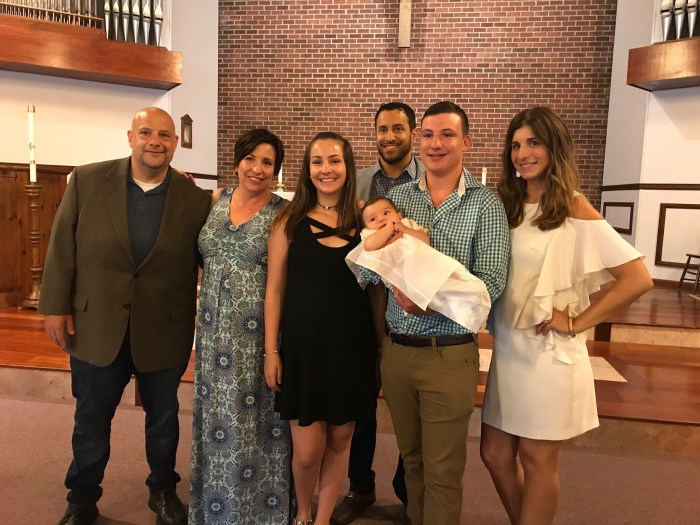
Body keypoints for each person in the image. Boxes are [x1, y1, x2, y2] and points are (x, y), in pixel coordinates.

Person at [480, 106, 653, 525]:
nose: (523, 153)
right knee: (495, 454)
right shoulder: (508, 204)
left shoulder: (572, 206)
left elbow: (637, 277)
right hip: (509, 349)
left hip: (547, 354)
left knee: (537, 459)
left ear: (554, 147)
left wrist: (577, 322)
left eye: (534, 143)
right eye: (516, 145)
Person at [39, 107, 211, 525]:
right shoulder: (87, 179)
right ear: (131, 137)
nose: (156, 141)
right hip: (97, 324)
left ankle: (163, 491)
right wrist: (55, 306)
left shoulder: (193, 198)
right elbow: (62, 245)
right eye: (147, 132)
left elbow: (209, 258)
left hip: (163, 327)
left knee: (164, 420)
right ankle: (82, 498)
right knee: (91, 418)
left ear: (176, 143)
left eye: (165, 135)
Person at [360, 101, 510, 525]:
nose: (435, 143)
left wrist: (428, 297)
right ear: (418, 140)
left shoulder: (486, 204)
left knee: (443, 471)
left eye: (447, 134)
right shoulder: (398, 199)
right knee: (412, 462)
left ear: (466, 142)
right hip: (398, 351)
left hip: (448, 353)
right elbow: (370, 266)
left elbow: (491, 283)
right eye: (427, 135)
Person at [264, 132, 378, 525]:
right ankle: (303, 513)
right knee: (308, 451)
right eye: (317, 161)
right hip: (304, 349)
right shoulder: (289, 221)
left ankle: (323, 518)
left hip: (352, 347)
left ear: (348, 167)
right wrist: (272, 351)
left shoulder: (364, 221)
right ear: (307, 169)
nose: (326, 169)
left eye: (334, 160)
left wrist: (379, 350)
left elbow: (375, 291)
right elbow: (275, 290)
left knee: (341, 439)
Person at [188, 129, 291, 524]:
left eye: (267, 162)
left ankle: (257, 513)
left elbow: (279, 284)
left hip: (255, 336)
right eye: (250, 159)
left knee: (253, 423)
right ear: (237, 161)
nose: (257, 169)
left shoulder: (282, 213)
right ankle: (214, 509)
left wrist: (272, 349)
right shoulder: (216, 199)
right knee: (214, 420)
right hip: (212, 333)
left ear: (276, 170)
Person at [333, 101, 424, 525]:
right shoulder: (357, 182)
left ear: (412, 133)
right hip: (365, 301)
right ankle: (360, 486)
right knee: (362, 401)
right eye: (382, 129)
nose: (389, 137)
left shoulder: (426, 181)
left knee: (410, 404)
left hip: (410, 301)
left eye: (398, 129)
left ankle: (408, 488)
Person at [346, 196, 491, 333]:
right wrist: (388, 228)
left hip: (422, 267)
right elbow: (370, 246)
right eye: (373, 219)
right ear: (366, 226)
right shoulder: (370, 234)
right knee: (430, 295)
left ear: (399, 215)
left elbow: (425, 239)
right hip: (401, 275)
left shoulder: (407, 224)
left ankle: (470, 299)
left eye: (386, 213)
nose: (381, 219)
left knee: (450, 283)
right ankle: (460, 307)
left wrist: (405, 230)